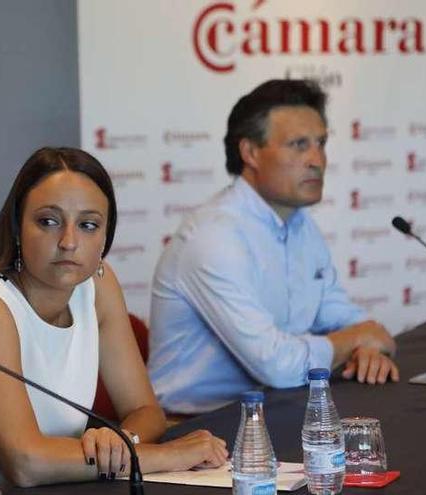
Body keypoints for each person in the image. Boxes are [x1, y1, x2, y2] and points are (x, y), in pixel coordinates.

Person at [0, 147, 228, 488]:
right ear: (18, 228)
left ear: (105, 238)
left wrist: (119, 443)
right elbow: (26, 463)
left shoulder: (98, 284)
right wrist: (167, 455)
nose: (68, 242)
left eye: (88, 225)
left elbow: (145, 410)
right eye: (48, 221)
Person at [148, 79, 400, 415]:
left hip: (275, 411)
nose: (317, 160)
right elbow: (276, 364)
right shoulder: (213, 237)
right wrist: (357, 339)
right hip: (192, 428)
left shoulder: (299, 224)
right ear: (250, 152)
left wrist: (367, 348)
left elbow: (341, 316)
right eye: (298, 145)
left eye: (321, 143)